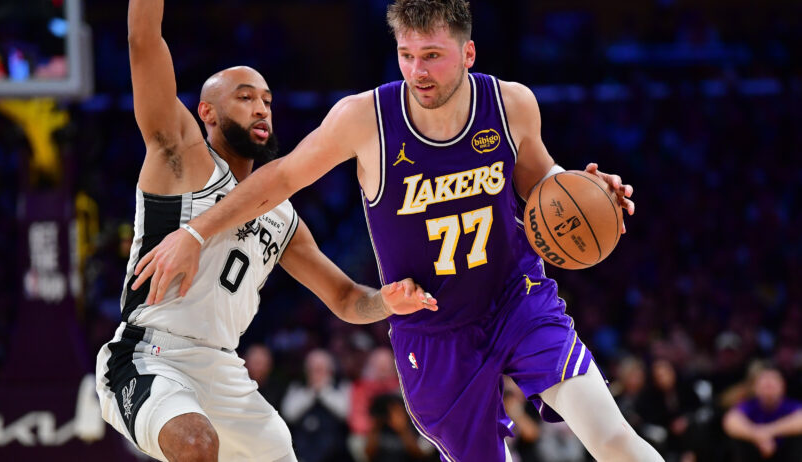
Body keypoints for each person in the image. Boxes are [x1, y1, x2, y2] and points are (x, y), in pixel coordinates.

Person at [132, 1, 664, 460]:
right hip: (432, 330)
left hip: (516, 299)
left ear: (468, 53)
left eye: (432, 55)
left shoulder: (511, 104)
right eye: (407, 55)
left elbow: (543, 182)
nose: (418, 71)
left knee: (612, 435)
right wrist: (195, 233)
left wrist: (589, 191)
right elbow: (282, 177)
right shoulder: (365, 118)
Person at [95, 1, 437, 461]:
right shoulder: (181, 155)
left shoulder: (281, 217)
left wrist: (386, 302)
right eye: (244, 98)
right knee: (195, 443)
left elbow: (344, 298)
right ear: (206, 112)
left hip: (223, 366)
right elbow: (143, 41)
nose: (260, 108)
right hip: (150, 354)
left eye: (267, 101)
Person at [722, 367, 802, 461]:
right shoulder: (749, 406)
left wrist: (768, 432)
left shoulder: (791, 405)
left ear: (783, 386)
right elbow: (730, 421)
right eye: (765, 385)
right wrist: (757, 436)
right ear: (755, 388)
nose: (769, 389)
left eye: (772, 385)